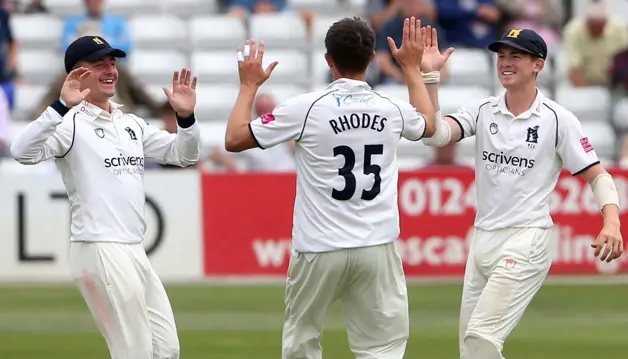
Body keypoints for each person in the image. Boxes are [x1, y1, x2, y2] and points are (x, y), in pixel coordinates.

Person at [225, 17, 437, 358]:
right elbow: (428, 125)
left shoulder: (305, 108)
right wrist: (411, 67)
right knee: (382, 349)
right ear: (371, 59)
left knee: (302, 344)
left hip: (319, 247)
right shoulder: (391, 108)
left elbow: (234, 139)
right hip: (375, 246)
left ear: (328, 59)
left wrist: (249, 86)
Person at [418, 26, 624, 359]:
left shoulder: (558, 119)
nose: (506, 63)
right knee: (470, 351)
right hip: (482, 240)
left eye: (516, 56)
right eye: (502, 56)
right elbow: (436, 137)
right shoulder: (482, 110)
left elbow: (598, 176)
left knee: (481, 338)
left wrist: (611, 223)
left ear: (538, 65)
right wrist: (430, 77)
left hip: (526, 240)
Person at [9, 35, 201, 359]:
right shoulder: (70, 124)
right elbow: (21, 151)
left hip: (133, 249)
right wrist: (59, 106)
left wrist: (186, 119)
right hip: (98, 246)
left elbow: (184, 155)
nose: (111, 69)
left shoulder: (130, 123)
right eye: (100, 64)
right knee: (134, 352)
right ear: (77, 75)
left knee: (166, 349)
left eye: (113, 62)